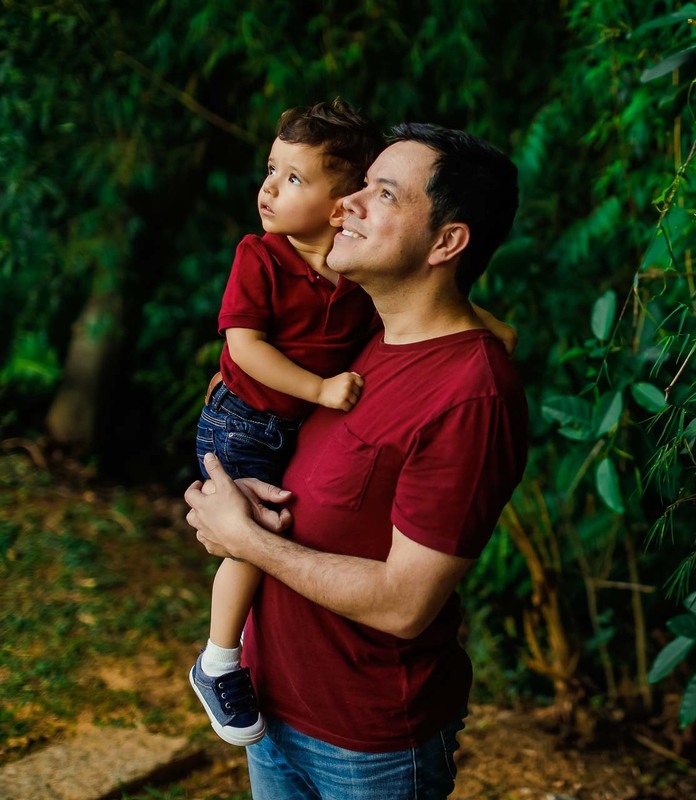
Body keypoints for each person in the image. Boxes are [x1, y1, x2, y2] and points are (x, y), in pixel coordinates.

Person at [184, 123, 528, 799]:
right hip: (274, 710)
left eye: (383, 194)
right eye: (357, 186)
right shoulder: (364, 333)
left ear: (448, 242)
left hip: (366, 746)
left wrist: (244, 538)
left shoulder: (470, 396)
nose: (347, 204)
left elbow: (405, 605)